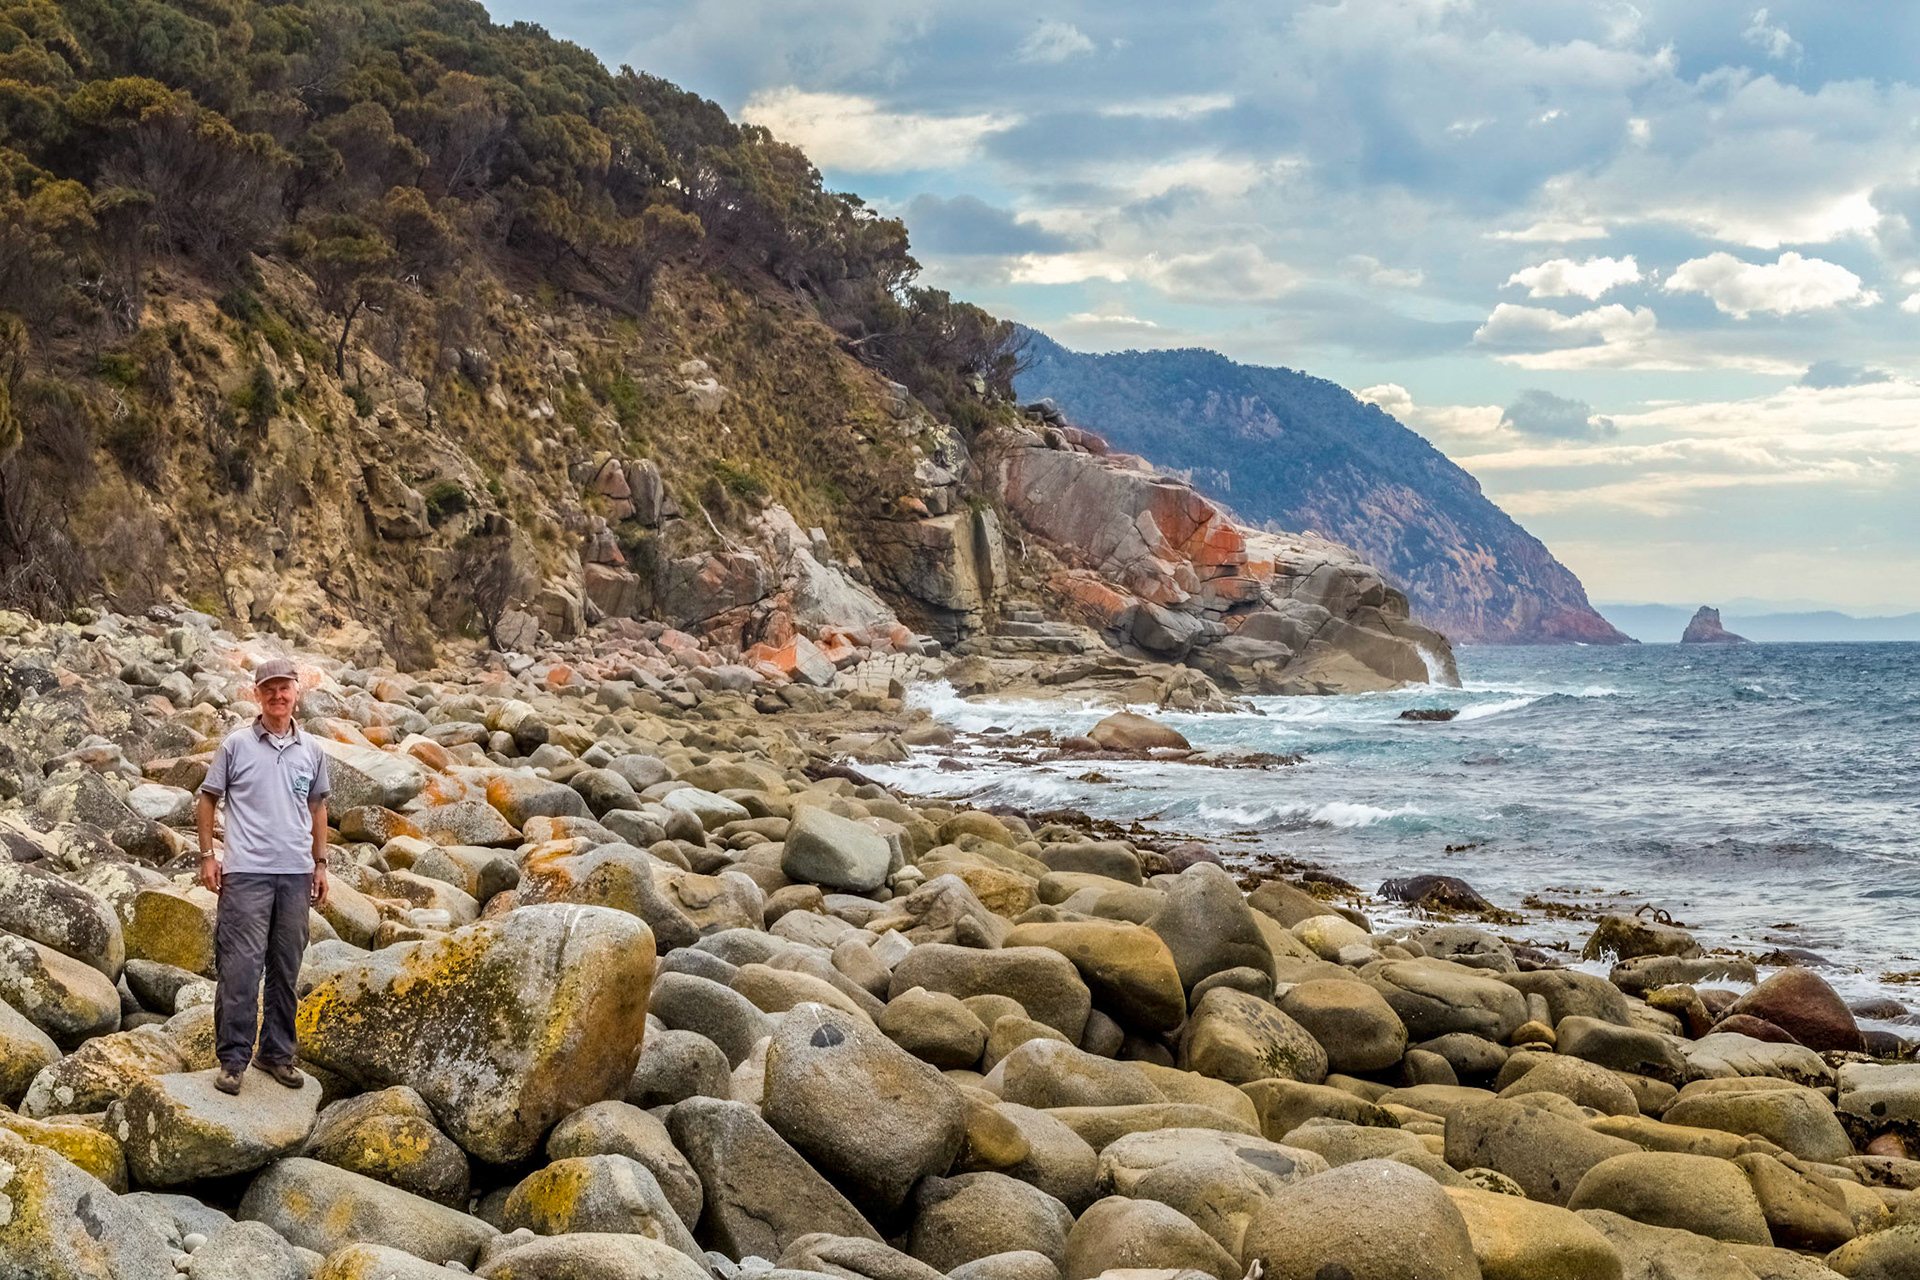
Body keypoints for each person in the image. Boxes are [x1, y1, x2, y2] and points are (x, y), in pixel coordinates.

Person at [195, 657, 331, 1095]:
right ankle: (233, 1061)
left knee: (286, 970)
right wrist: (208, 856)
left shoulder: (311, 750)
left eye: (284, 687)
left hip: (296, 874)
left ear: (296, 692)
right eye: (268, 688)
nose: (277, 695)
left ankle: (276, 1054)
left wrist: (320, 864)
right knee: (240, 970)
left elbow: (317, 807)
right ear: (257, 694)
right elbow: (207, 799)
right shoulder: (236, 745)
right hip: (246, 874)